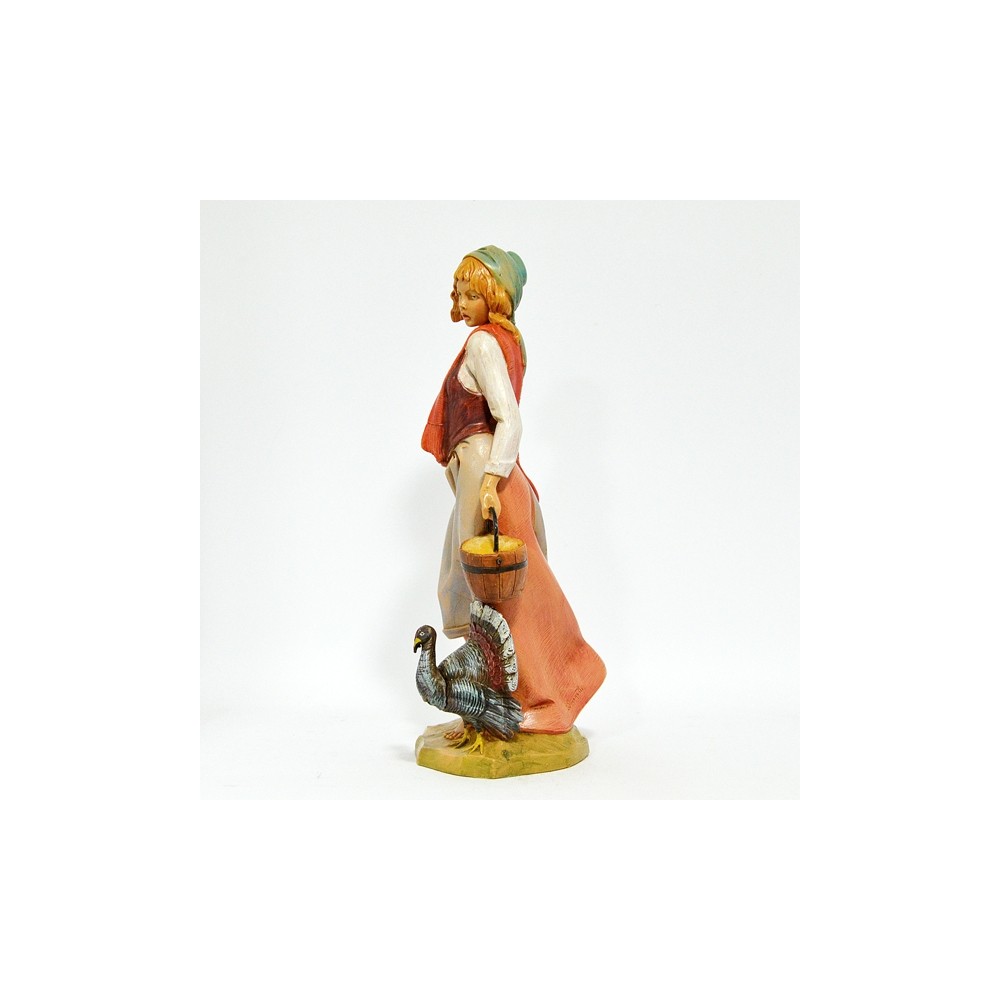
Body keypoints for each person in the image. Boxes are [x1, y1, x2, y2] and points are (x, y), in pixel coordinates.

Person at [421, 246, 605, 734]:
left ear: (495, 297)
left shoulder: (484, 343)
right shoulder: (508, 341)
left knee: (504, 594)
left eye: (471, 293)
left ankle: (546, 698)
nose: (461, 301)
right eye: (459, 291)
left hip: (489, 474)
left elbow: (510, 419)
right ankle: (540, 686)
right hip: (495, 473)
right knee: (517, 591)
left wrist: (487, 481)